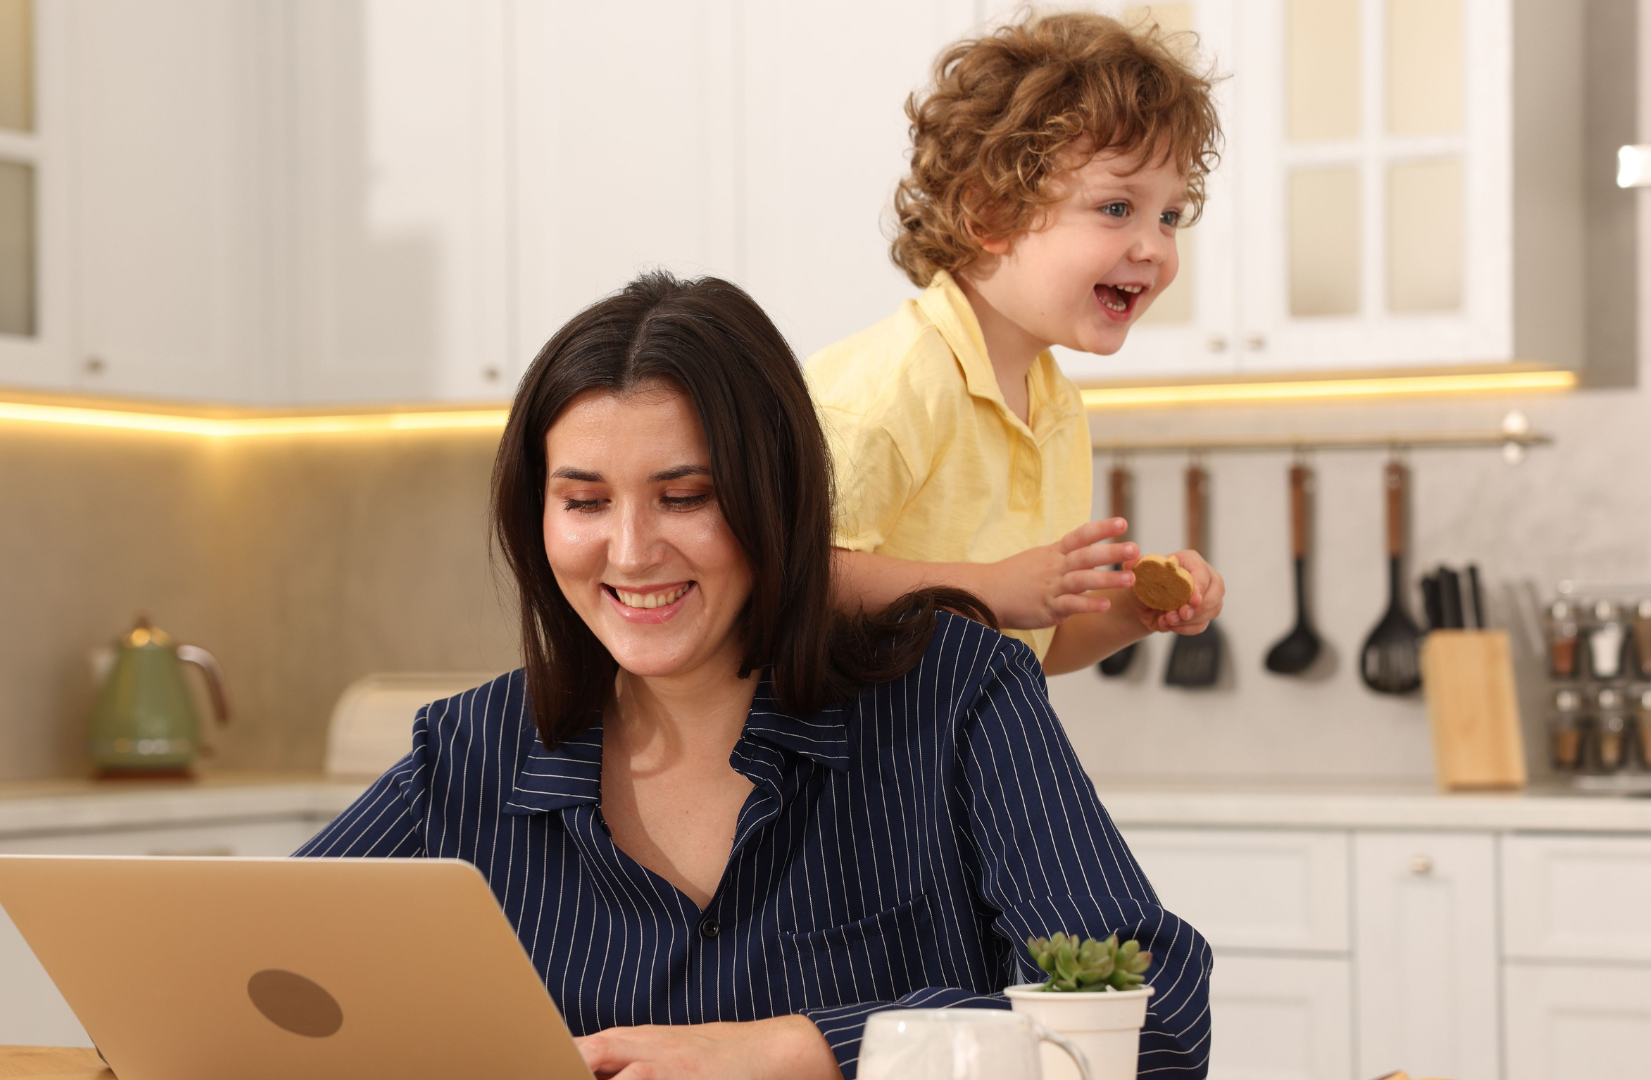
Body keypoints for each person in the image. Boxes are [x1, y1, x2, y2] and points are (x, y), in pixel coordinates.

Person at [296, 273, 1212, 1080]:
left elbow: (1155, 1020)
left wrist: (794, 1051)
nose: (630, 551)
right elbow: (243, 984)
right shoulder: (467, 753)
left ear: (774, 498)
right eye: (583, 502)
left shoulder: (958, 695)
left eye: (685, 498)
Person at [810, 11, 1227, 674]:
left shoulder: (1054, 409)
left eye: (1170, 215)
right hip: (854, 768)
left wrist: (1132, 615)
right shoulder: (892, 387)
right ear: (991, 215)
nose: (1153, 248)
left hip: (954, 762)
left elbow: (1034, 646)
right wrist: (992, 588)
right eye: (1118, 207)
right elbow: (794, 581)